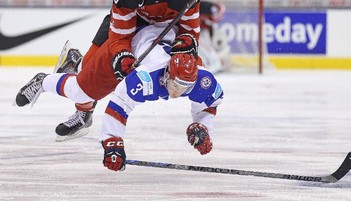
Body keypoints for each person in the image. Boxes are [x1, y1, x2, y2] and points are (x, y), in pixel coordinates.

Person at [15, 0, 201, 142]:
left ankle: (74, 68)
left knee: (188, 69)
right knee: (89, 69)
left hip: (163, 27)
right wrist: (122, 56)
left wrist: (185, 43)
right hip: (130, 20)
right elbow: (120, 37)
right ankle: (82, 110)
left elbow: (190, 33)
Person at [15, 27, 224, 171]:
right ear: (167, 74)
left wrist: (203, 126)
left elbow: (209, 104)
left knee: (88, 76)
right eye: (176, 85)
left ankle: (76, 64)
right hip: (125, 43)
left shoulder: (201, 79)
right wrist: (112, 142)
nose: (178, 92)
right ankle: (43, 81)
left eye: (185, 87)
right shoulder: (146, 79)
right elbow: (119, 104)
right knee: (81, 91)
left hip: (155, 34)